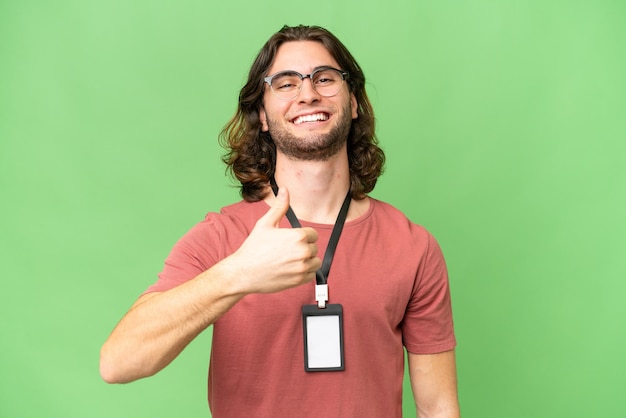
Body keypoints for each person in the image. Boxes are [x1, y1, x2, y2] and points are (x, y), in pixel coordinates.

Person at [100, 24, 460, 417]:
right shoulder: (222, 237)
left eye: (325, 79)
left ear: (354, 102)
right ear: (263, 115)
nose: (308, 94)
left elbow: (438, 407)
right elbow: (118, 362)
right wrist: (237, 274)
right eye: (286, 84)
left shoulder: (413, 246)